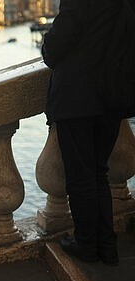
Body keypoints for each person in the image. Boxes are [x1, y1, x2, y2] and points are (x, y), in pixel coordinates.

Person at [42, 0, 134, 266]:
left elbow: (54, 47)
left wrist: (48, 44)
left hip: (77, 98)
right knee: (98, 172)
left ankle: (86, 244)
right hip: (113, 96)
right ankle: (107, 245)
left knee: (81, 176)